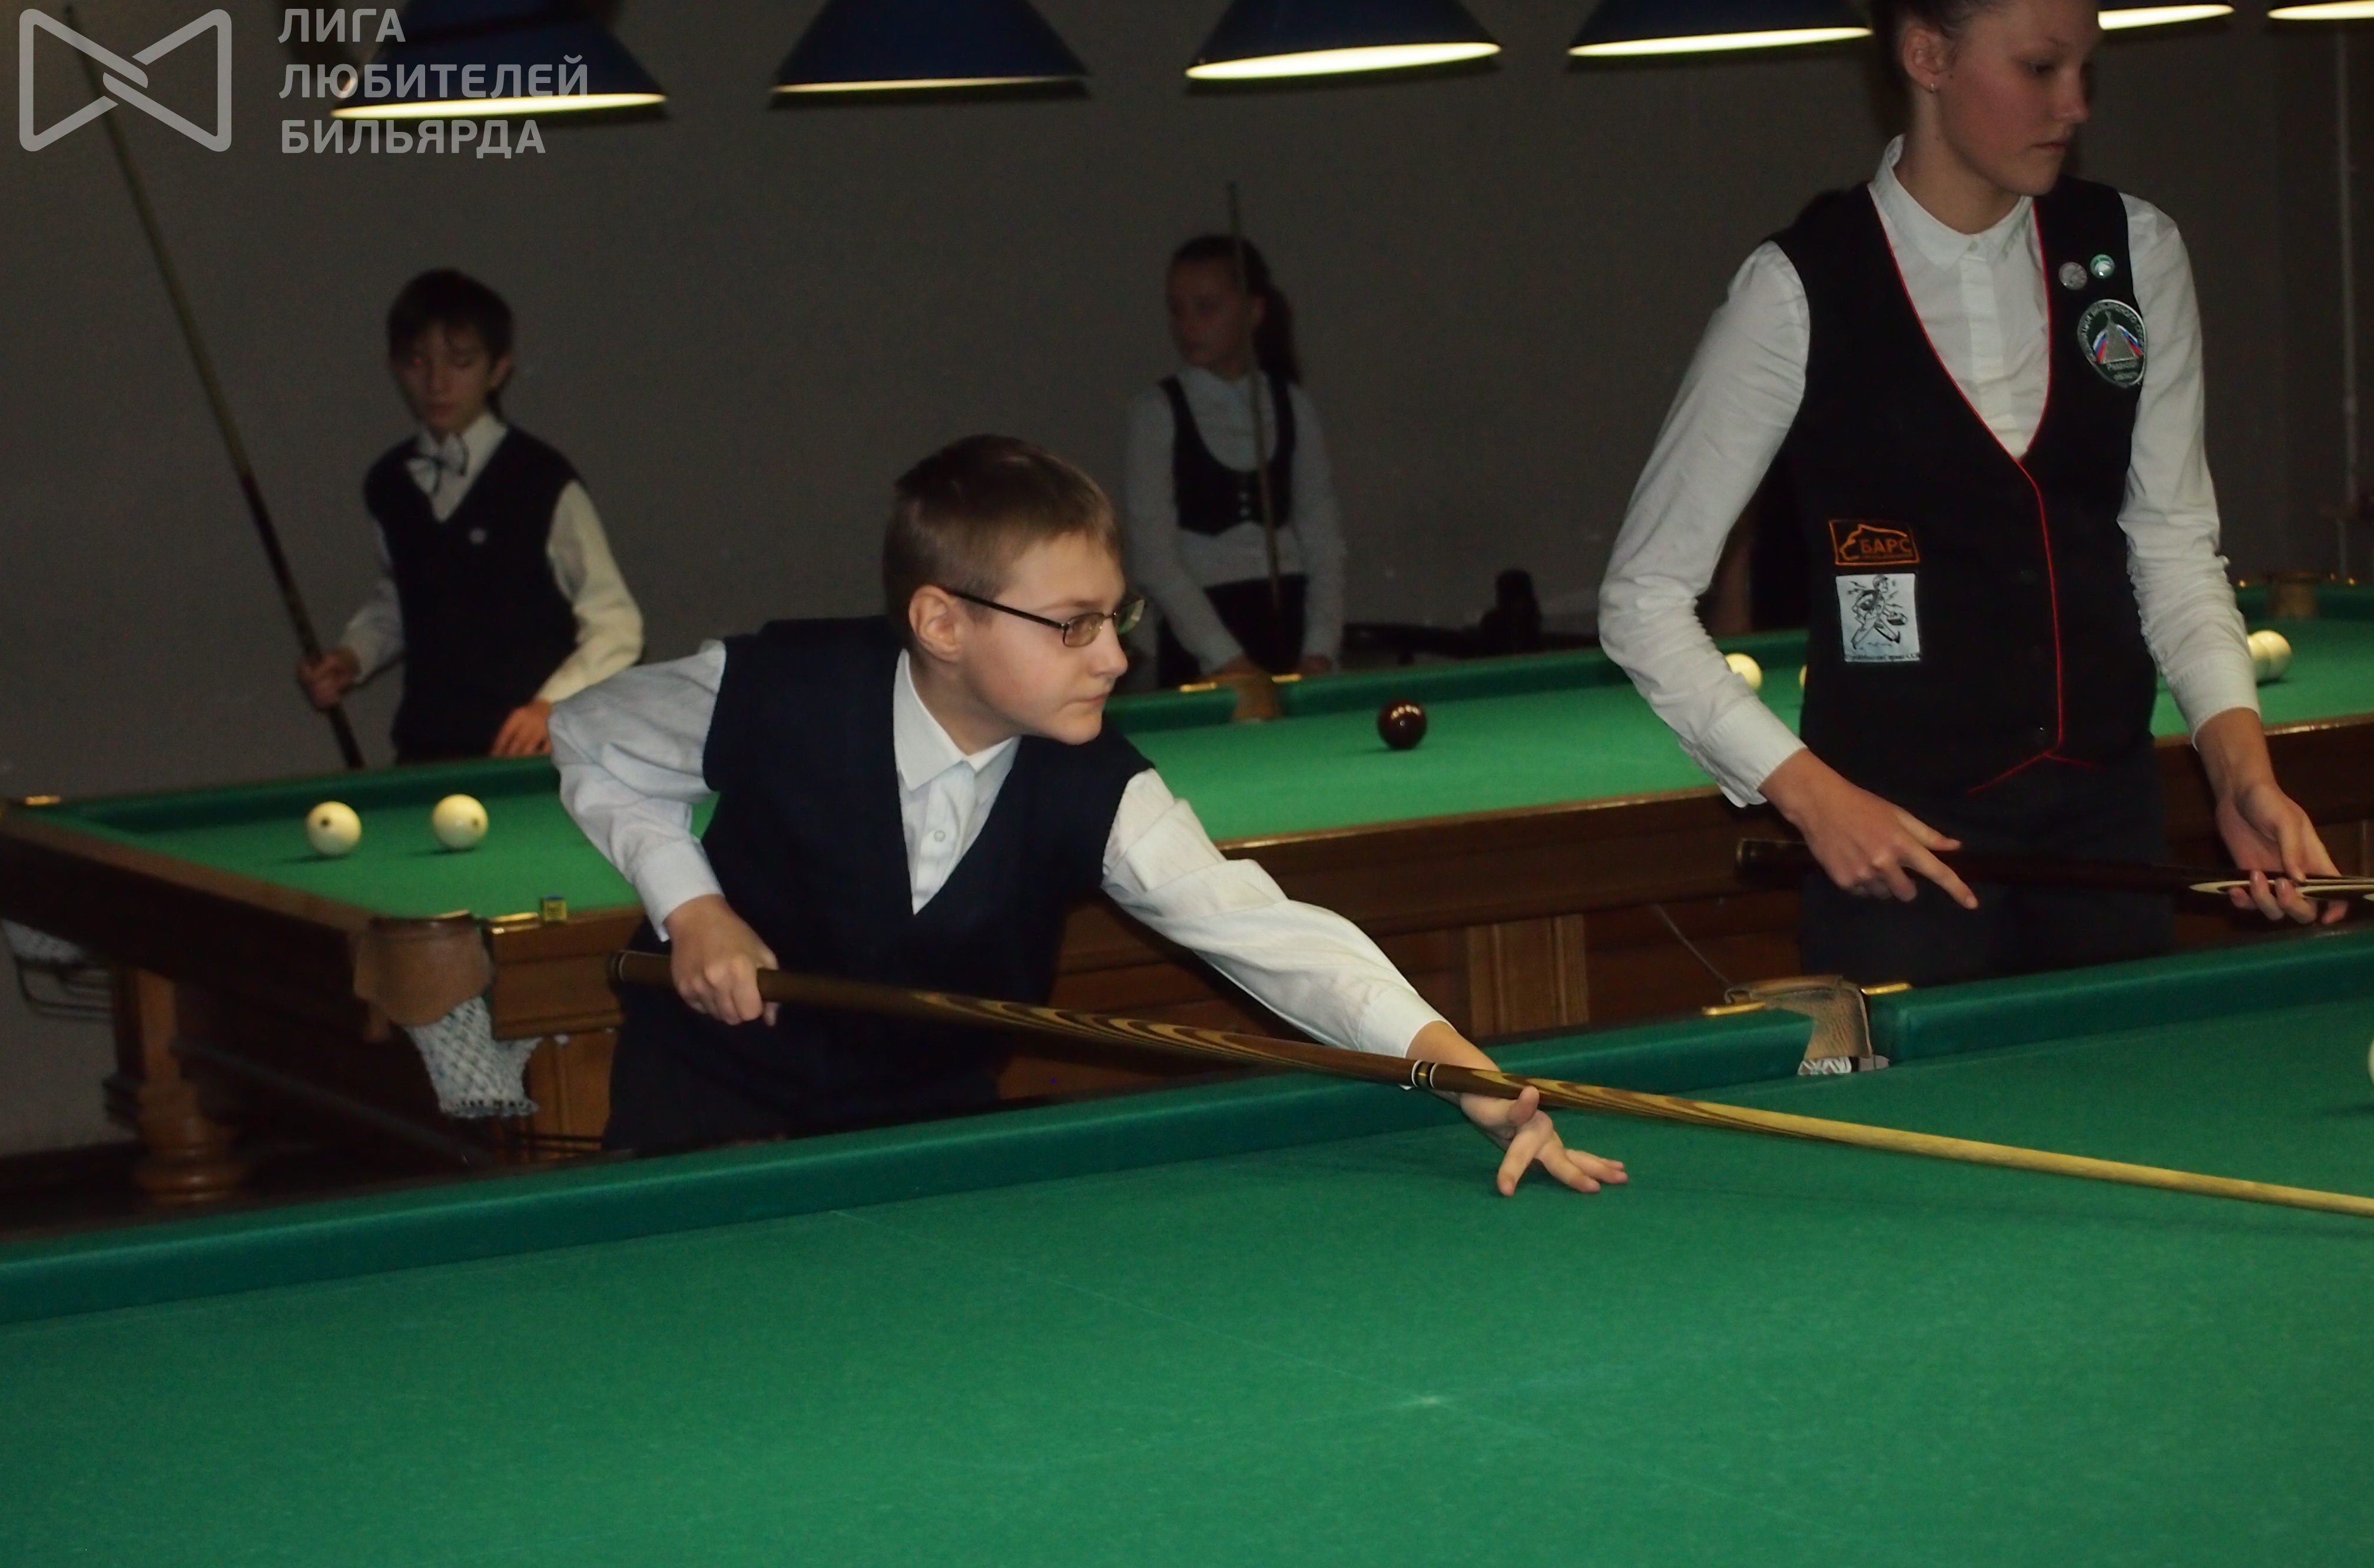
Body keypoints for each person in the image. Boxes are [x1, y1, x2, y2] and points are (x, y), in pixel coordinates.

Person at [551, 435, 1617, 1196]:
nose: (1114, 656)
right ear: (942, 622)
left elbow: (1264, 929)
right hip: (706, 1109)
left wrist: (1453, 1066)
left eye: (1116, 617)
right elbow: (590, 739)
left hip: (926, 1128)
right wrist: (692, 907)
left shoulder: (1093, 781)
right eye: (1072, 624)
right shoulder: (779, 687)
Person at [1597, 0, 2340, 988]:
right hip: (1898, 856)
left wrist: (2240, 775)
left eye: (2084, 68)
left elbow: (2170, 547)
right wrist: (1812, 797)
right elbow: (1642, 599)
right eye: (2039, 68)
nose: (2074, 104)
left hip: (2107, 832)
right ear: (1926, 56)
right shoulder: (1796, 289)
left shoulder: (2135, 250)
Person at [299, 270, 644, 763]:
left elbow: (617, 623)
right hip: (424, 753)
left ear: (498, 370)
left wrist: (550, 705)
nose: (437, 383)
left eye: (461, 362)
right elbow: (406, 597)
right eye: (418, 362)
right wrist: (353, 656)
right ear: (396, 367)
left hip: (531, 758)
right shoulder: (388, 484)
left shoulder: (541, 479)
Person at [1124, 236, 1348, 716]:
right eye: (1177, 310)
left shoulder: (1293, 405)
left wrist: (1320, 650)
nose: (1187, 326)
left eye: (1206, 308)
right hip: (1201, 632)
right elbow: (1155, 561)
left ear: (1254, 311)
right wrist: (1225, 658)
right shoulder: (1156, 412)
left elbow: (1324, 542)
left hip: (1290, 623)